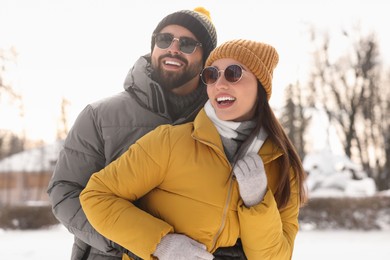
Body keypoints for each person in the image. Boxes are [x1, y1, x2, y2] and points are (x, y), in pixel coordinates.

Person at [80, 39, 308, 260]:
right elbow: (97, 196)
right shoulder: (170, 142)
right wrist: (161, 244)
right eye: (212, 75)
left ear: (260, 85)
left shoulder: (282, 165)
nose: (220, 84)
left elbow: (276, 257)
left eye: (233, 73)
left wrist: (258, 202)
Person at [47, 7, 217, 260]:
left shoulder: (219, 121)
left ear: (206, 58)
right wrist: (138, 242)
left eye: (188, 44)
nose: (173, 48)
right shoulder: (100, 115)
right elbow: (65, 193)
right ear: (153, 45)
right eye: (164, 39)